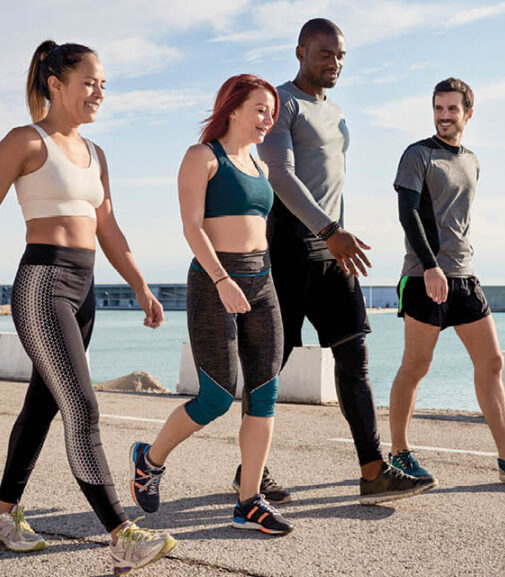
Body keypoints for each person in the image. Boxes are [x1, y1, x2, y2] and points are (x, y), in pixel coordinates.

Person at [0, 40, 175, 575]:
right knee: (81, 407)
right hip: (42, 286)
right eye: (89, 82)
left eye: (103, 84)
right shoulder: (25, 141)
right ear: (55, 84)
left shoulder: (96, 153)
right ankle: (121, 535)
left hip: (84, 290)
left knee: (43, 405)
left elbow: (107, 226)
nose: (99, 93)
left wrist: (139, 284)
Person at [255, 18, 434, 505]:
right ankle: (251, 471)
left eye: (340, 56)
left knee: (354, 357)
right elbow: (279, 175)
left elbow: (330, 182)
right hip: (291, 248)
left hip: (333, 251)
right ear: (300, 51)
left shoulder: (336, 114)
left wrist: (336, 234)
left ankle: (373, 471)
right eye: (324, 53)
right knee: (273, 364)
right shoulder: (280, 104)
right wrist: (329, 230)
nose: (333, 63)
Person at [128, 74, 294, 535]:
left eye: (272, 111)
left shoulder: (260, 167)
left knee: (264, 394)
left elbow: (261, 231)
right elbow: (192, 227)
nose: (268, 118)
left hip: (262, 283)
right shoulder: (203, 157)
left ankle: (249, 502)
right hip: (214, 280)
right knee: (218, 396)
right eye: (260, 109)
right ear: (234, 107)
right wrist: (222, 279)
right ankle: (149, 458)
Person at [388, 78, 505, 484]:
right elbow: (408, 214)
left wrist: (454, 265)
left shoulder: (472, 160)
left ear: (469, 113)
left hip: (465, 276)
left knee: (491, 362)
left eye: (452, 109)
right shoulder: (418, 155)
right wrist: (431, 266)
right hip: (424, 276)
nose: (444, 116)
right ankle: (399, 454)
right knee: (416, 366)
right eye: (438, 108)